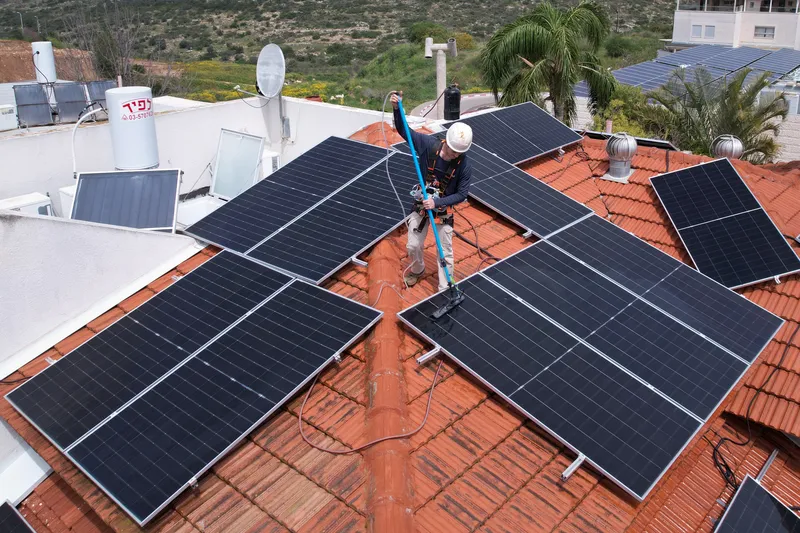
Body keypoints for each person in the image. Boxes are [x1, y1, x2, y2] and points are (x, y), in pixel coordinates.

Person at [391, 91, 473, 291]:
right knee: (413, 245)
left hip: (442, 207)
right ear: (446, 141)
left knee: (445, 251)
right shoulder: (428, 145)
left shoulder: (463, 165)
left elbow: (462, 194)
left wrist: (437, 203)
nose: (453, 155)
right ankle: (418, 269)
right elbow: (406, 133)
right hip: (422, 202)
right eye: (452, 150)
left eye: (458, 153)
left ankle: (445, 286)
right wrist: (396, 109)